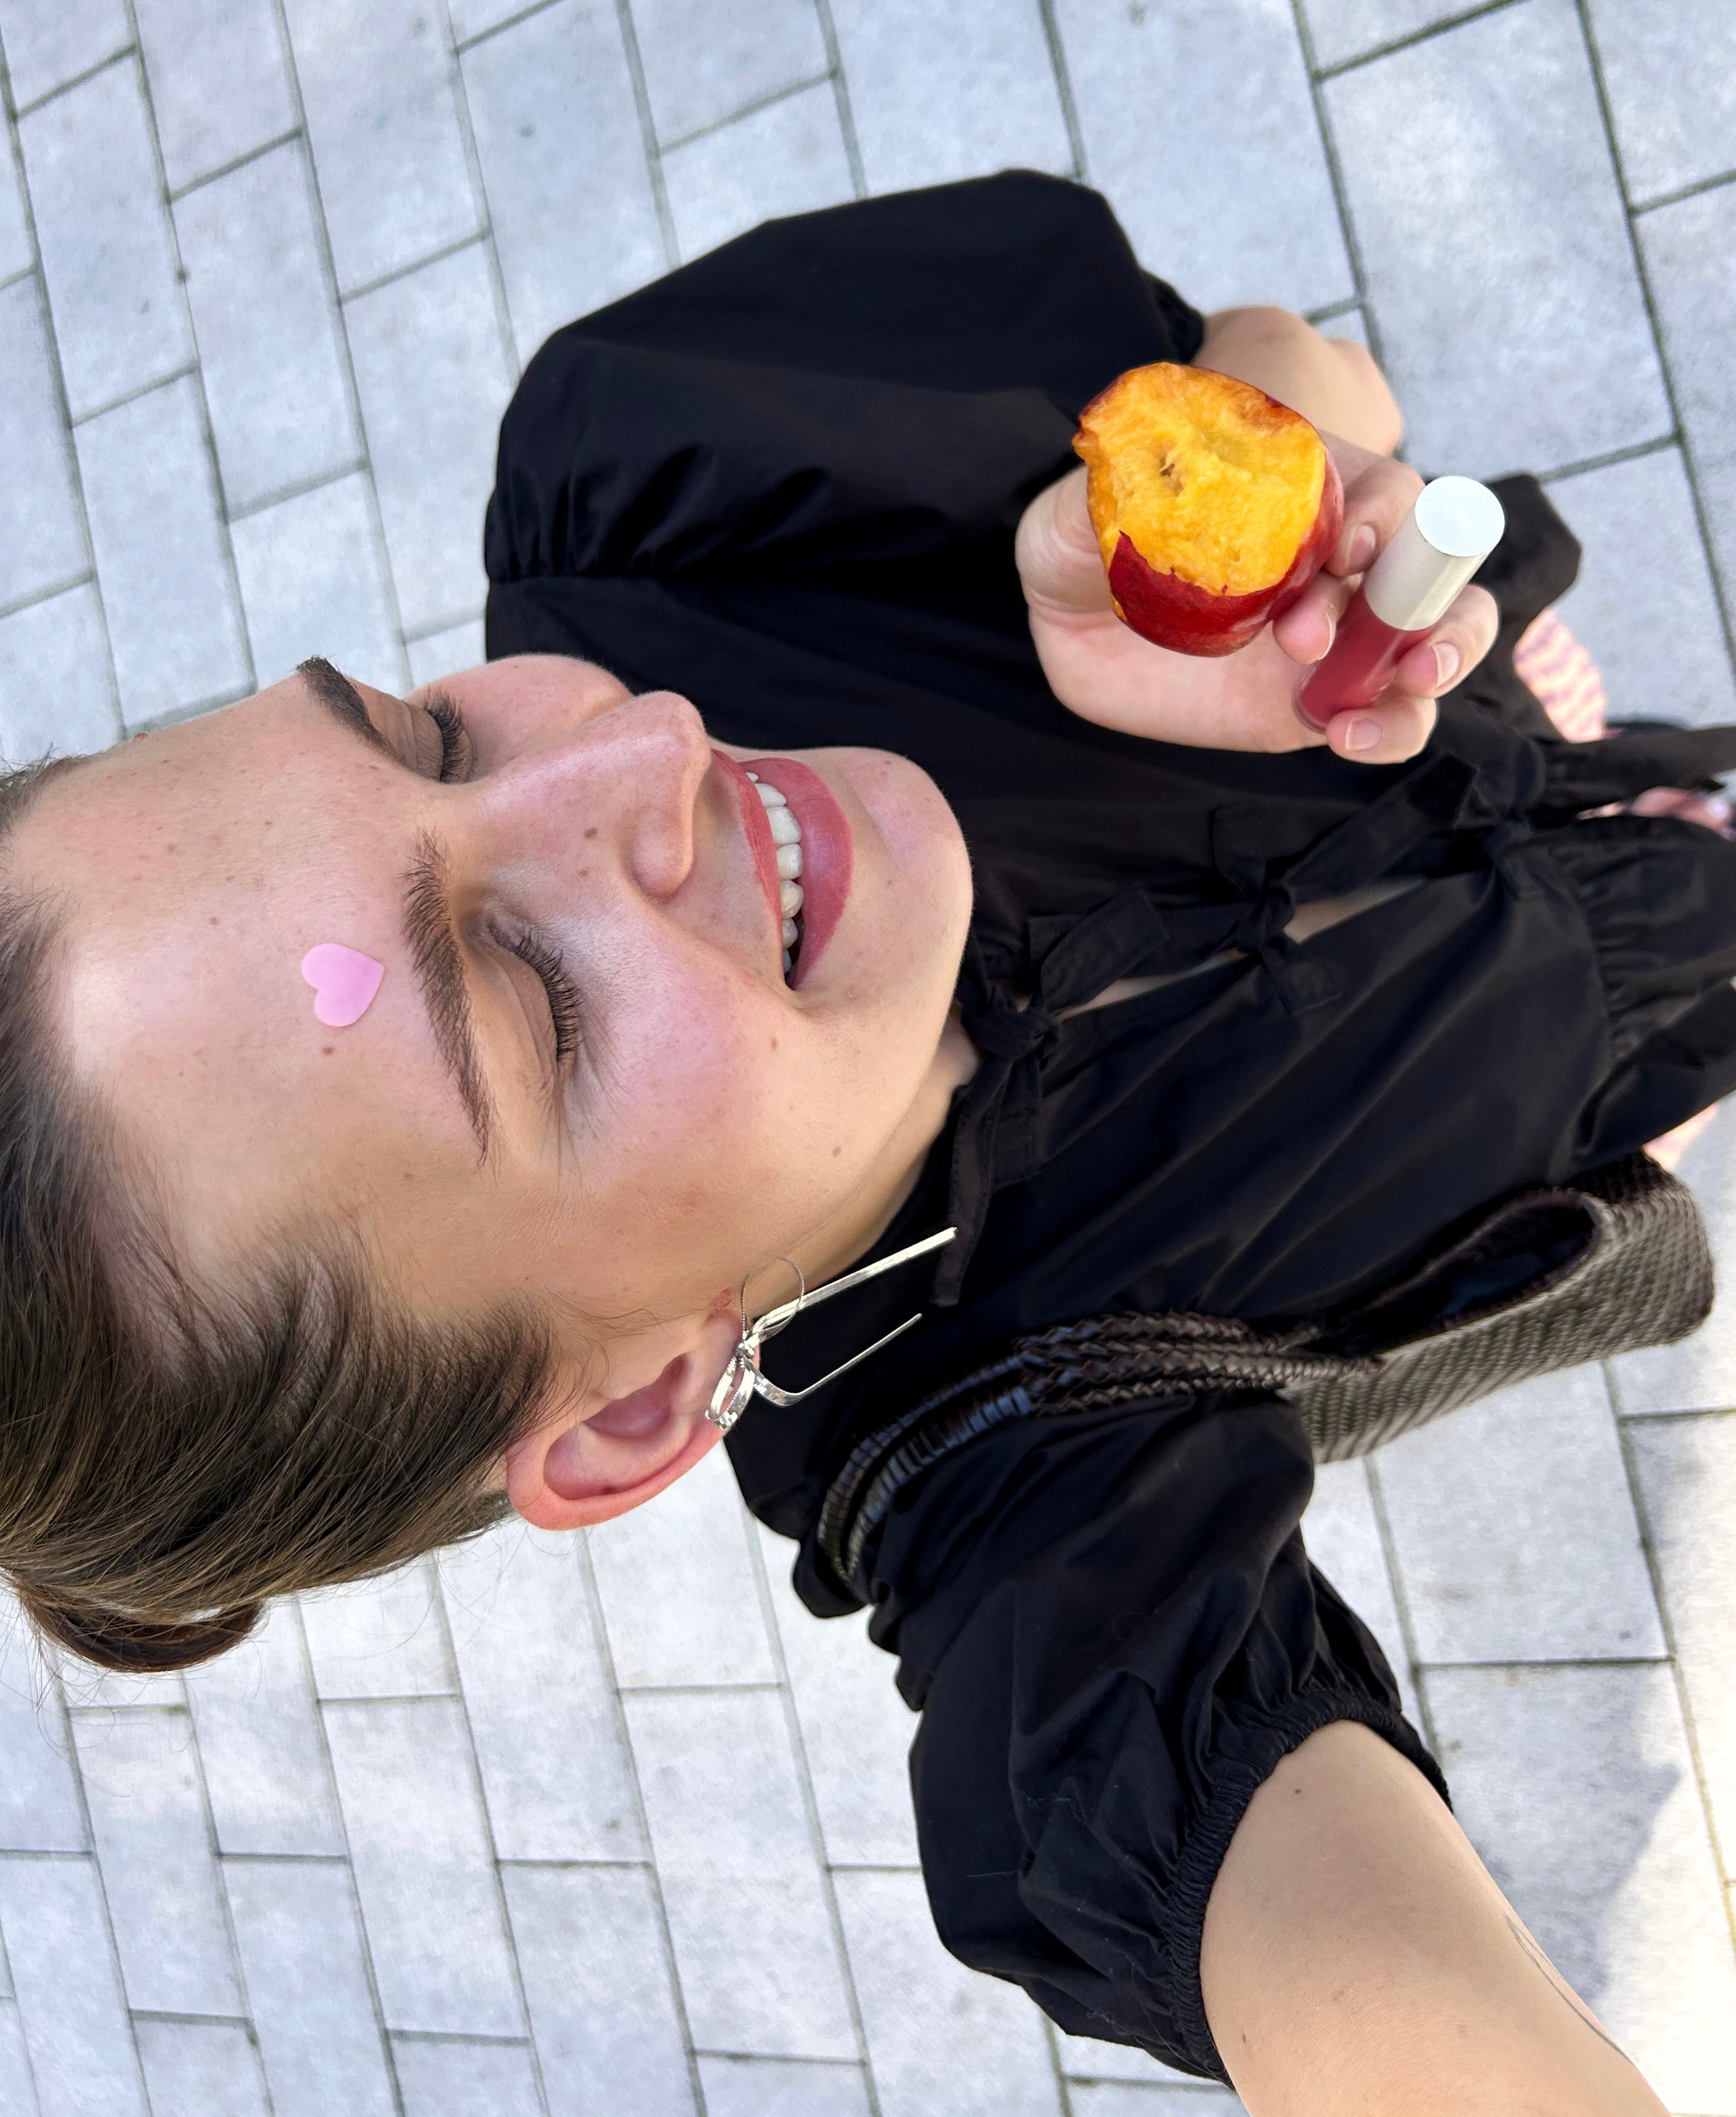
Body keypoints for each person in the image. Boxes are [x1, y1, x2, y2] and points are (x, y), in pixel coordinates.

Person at [3, 172, 1730, 2114]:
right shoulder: (1004, 1501)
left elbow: (1287, 356)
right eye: (533, 1002)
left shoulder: (665, 469)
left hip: (1534, 752)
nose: (643, 748)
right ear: (630, 1411)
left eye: (424, 739)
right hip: (1628, 1050)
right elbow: (1354, 1982)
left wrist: (1244, 519)